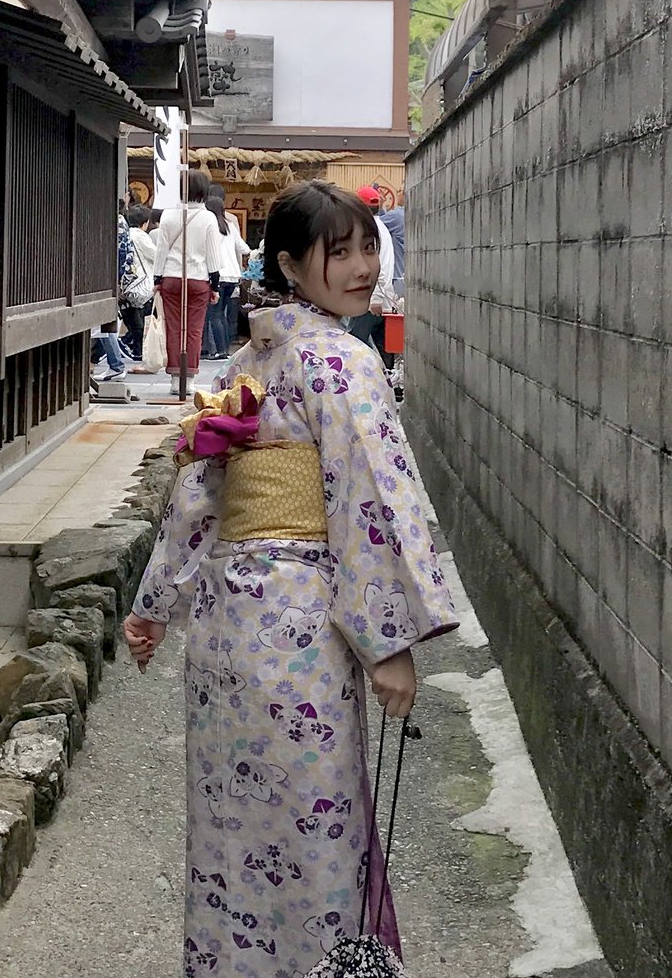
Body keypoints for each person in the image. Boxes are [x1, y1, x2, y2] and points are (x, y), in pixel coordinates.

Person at [124, 180, 458, 978]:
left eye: (368, 246)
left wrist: (154, 606)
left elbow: (197, 499)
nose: (361, 266)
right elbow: (369, 502)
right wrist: (387, 645)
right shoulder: (341, 360)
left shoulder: (246, 362)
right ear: (287, 264)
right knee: (316, 831)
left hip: (226, 633)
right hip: (304, 632)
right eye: (337, 251)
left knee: (235, 831)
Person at [152, 171, 223, 378]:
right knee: (194, 329)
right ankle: (189, 377)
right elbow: (213, 256)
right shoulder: (208, 218)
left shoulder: (168, 214)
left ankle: (175, 377)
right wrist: (215, 286)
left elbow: (161, 251)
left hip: (171, 278)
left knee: (174, 328)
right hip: (199, 279)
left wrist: (157, 279)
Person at [345, 184, 397, 362]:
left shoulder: (367, 230)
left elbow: (375, 266)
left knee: (354, 344)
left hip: (371, 299)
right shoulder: (380, 227)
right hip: (382, 298)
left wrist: (374, 299)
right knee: (381, 350)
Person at [204, 188, 250, 362]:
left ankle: (220, 350)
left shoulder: (209, 226)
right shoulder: (230, 226)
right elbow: (244, 249)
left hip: (218, 274)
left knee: (215, 314)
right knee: (221, 313)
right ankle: (224, 349)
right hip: (233, 275)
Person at [120, 204, 157, 366]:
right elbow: (155, 255)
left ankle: (131, 346)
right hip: (140, 283)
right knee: (139, 319)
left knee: (133, 317)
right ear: (146, 222)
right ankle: (137, 351)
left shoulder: (126, 233)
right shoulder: (141, 236)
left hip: (126, 282)